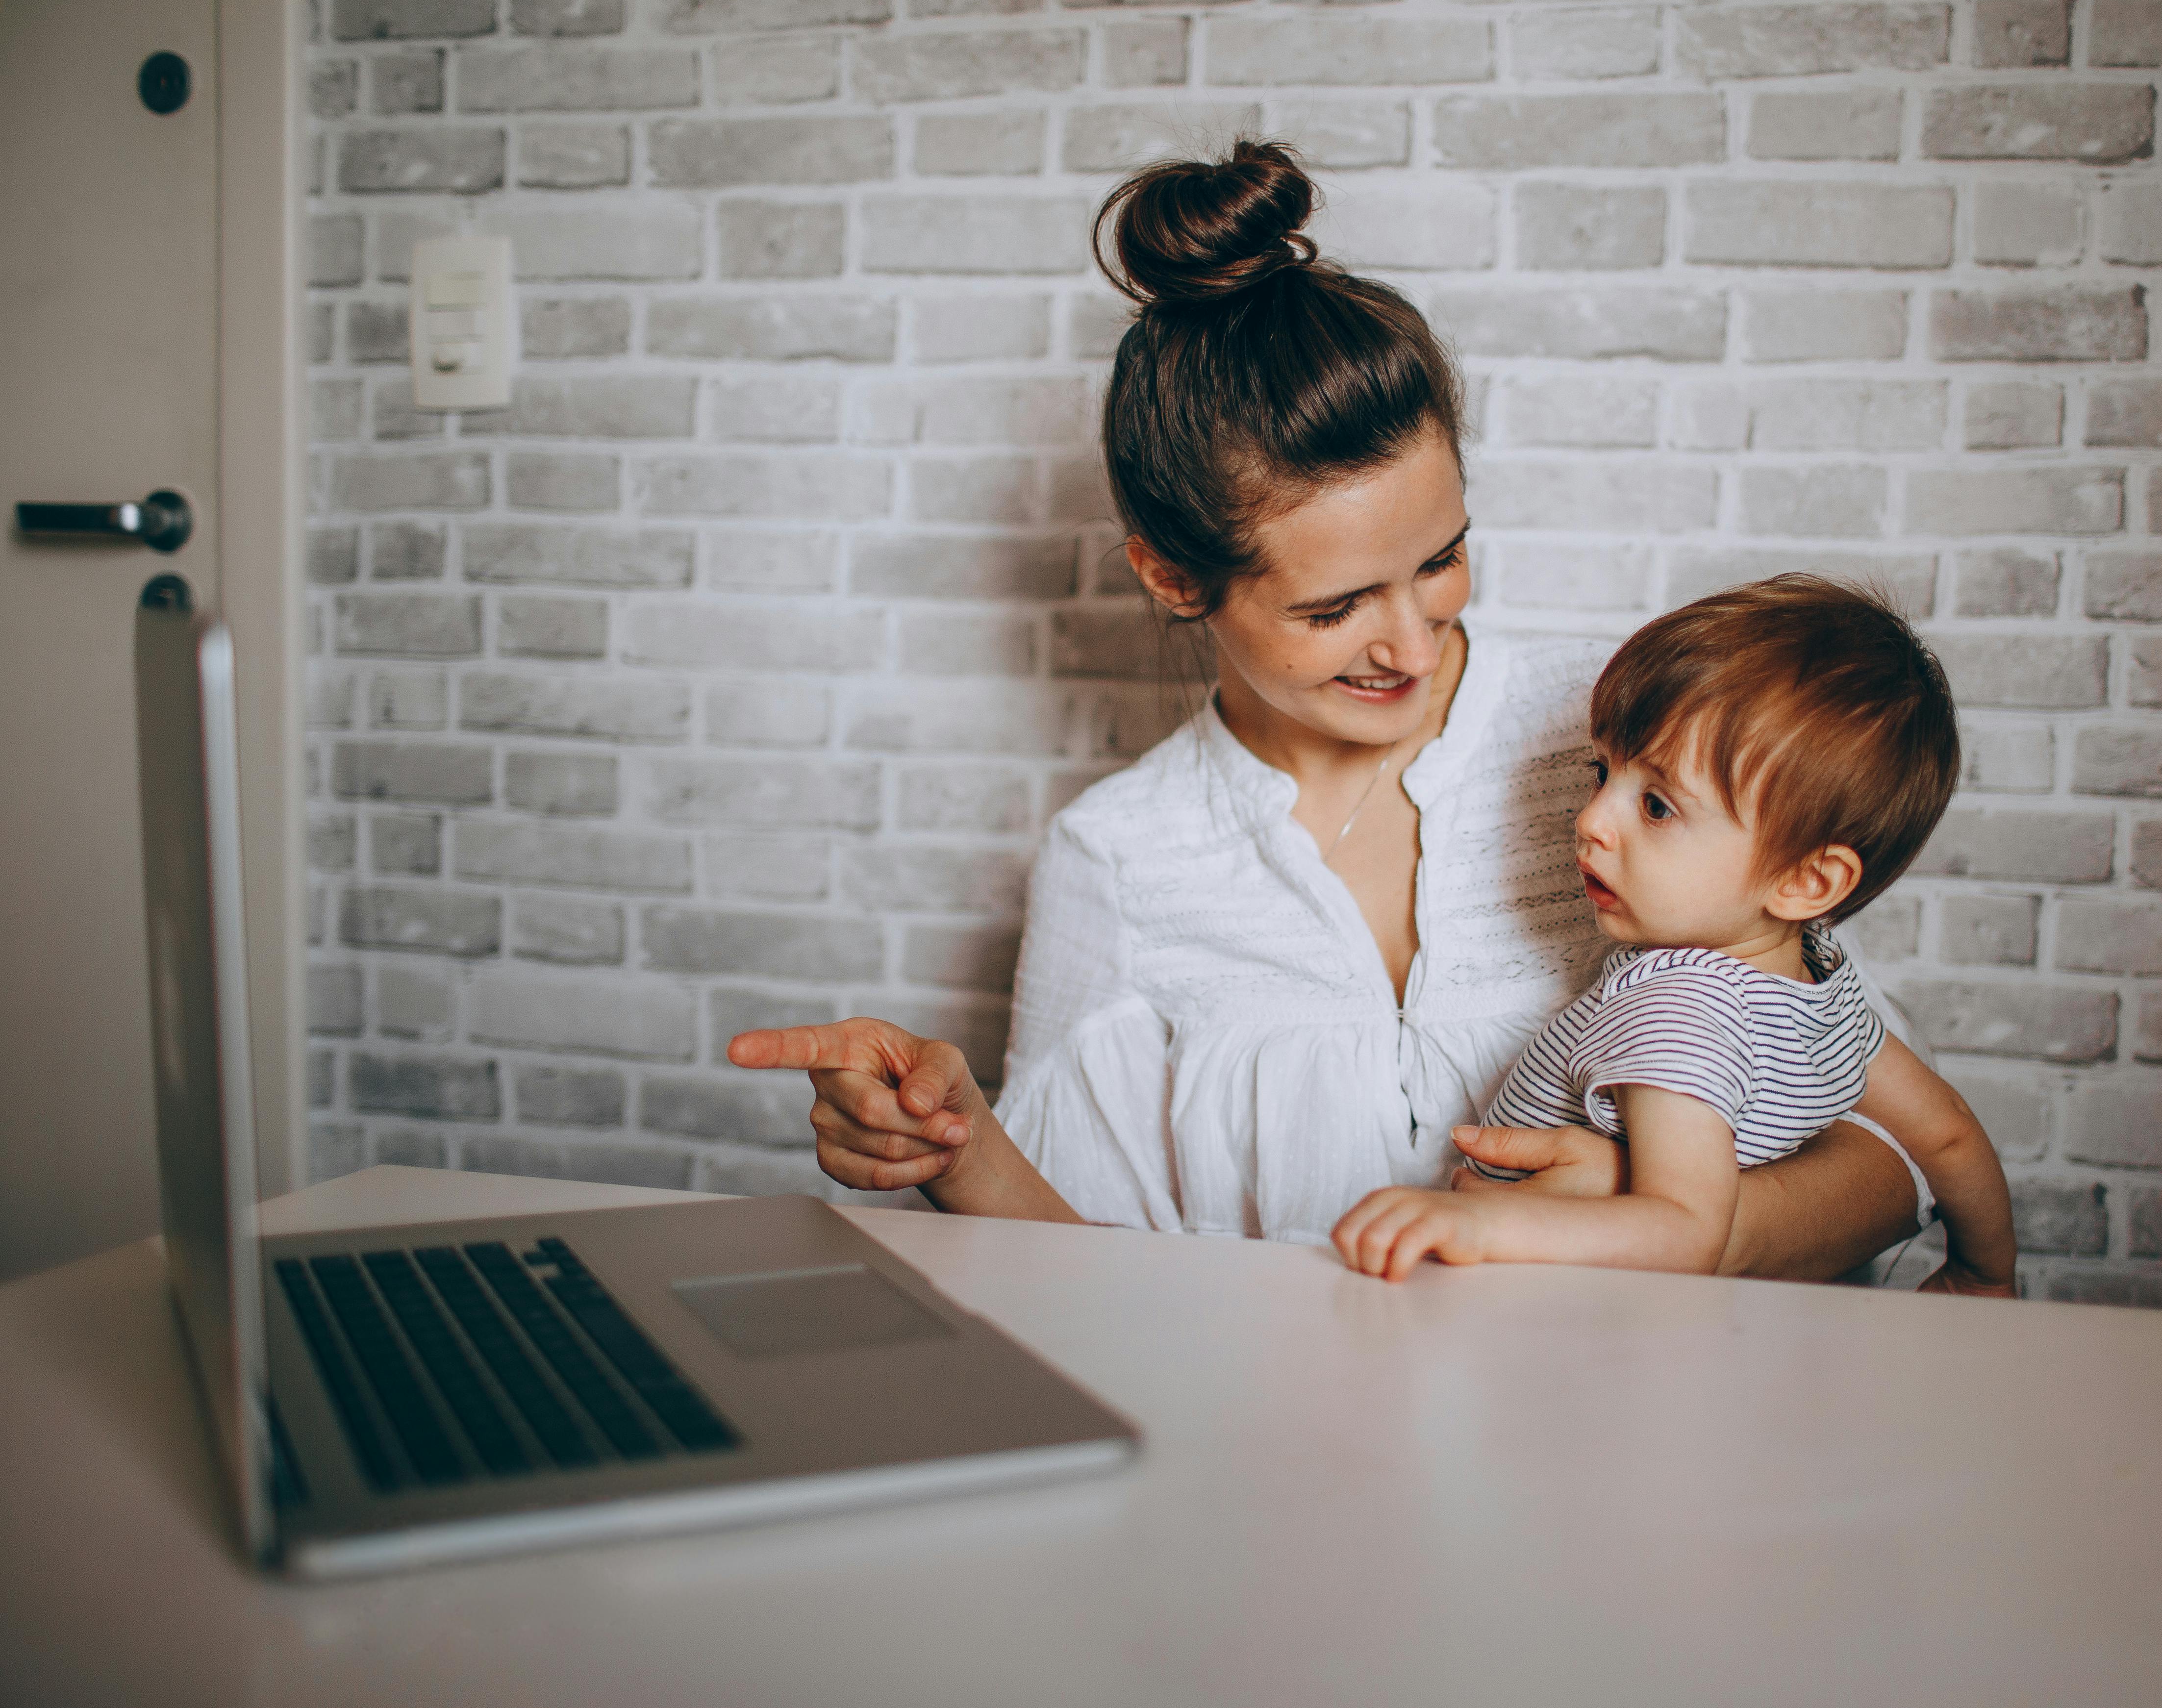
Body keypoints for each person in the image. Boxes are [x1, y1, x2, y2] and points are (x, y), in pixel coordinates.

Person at [728, 141, 1955, 1283]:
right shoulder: (1119, 857)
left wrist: (1624, 1219)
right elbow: (1094, 1284)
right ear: (1170, 576)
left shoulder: (1635, 739)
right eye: (1334, 609)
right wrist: (957, 1149)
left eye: (1441, 560)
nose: (1413, 645)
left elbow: (1898, 1170)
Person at [1331, 577, 2017, 1292]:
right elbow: (1948, 1132)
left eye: (1656, 806)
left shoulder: (1678, 1009)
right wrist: (1984, 1271)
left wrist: (1480, 1227)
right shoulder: (1821, 985)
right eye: (1605, 772)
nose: (1592, 818)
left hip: (1547, 1304)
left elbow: (1684, 1231)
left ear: (1808, 883)